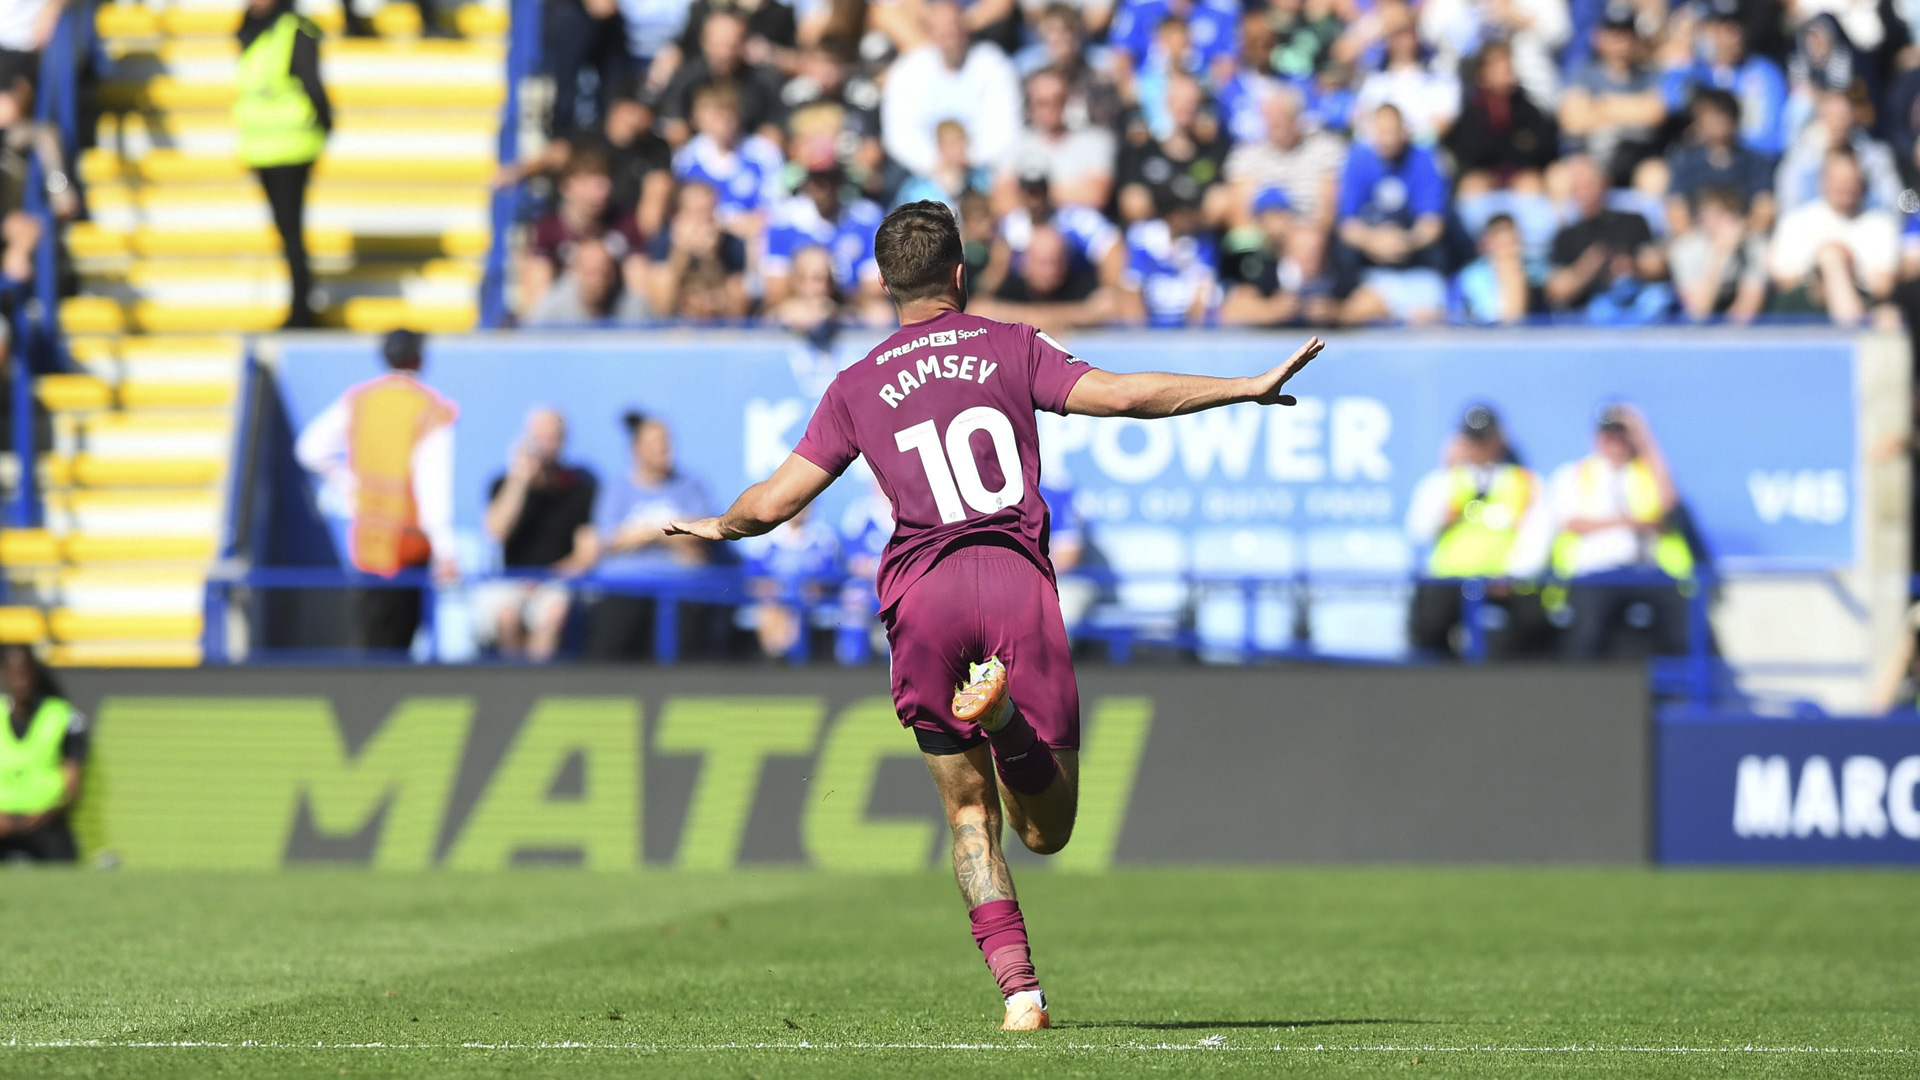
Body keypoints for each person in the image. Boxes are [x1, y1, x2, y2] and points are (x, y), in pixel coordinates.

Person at [664, 200, 1326, 1031]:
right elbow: (1121, 397)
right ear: (960, 274)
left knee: (968, 814)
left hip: (922, 597)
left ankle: (1021, 995)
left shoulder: (857, 384)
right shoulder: (1012, 345)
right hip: (1015, 581)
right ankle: (1008, 723)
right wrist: (1242, 387)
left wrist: (718, 524)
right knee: (1048, 832)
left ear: (882, 283)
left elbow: (775, 502)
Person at [294, 330, 458, 653]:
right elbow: (433, 487)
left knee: (370, 635)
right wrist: (446, 550)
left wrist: (349, 483)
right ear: (419, 358)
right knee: (399, 641)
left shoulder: (361, 400)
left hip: (368, 537)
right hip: (409, 542)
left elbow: (309, 449)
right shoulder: (428, 409)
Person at [1547, 403, 1694, 659]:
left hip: (1645, 570)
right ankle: (1575, 693)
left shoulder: (1646, 472)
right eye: (1608, 435)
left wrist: (1646, 439)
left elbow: (1667, 507)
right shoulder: (1575, 474)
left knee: (1684, 623)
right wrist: (1628, 521)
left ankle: (1688, 692)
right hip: (1595, 571)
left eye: (1622, 435)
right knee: (1586, 634)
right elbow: (1571, 521)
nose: (1615, 442)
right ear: (1595, 438)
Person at [1404, 405, 1551, 658]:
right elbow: (1419, 530)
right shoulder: (1443, 482)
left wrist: (1511, 576)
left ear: (1499, 440)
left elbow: (1538, 536)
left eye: (1484, 438)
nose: (1478, 445)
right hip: (1450, 579)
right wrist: (1447, 499)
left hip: (1505, 582)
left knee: (1535, 623)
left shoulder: (1526, 482)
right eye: (1471, 438)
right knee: (1429, 624)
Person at [588, 410, 718, 660]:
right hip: (624, 590)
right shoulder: (616, 489)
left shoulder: (690, 486)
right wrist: (668, 535)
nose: (664, 448)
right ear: (636, 450)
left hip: (681, 591)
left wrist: (644, 533)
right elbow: (609, 540)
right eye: (655, 443)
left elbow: (704, 532)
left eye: (667, 441)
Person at [475, 408, 600, 661]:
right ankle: (514, 686)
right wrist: (519, 480)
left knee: (554, 610)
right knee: (505, 613)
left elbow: (587, 553)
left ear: (563, 441)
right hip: (512, 580)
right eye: (537, 437)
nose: (543, 445)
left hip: (556, 580)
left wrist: (546, 577)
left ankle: (537, 682)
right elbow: (496, 531)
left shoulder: (581, 486)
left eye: (551, 437)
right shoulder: (504, 483)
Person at [235, 0, 330, 330]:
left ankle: (301, 308)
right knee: (285, 230)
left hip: (292, 146)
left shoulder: (296, 29)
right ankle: (299, 304)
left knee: (291, 231)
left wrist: (324, 125)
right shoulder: (249, 29)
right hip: (262, 148)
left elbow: (313, 85)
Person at [1334, 103, 1448, 325]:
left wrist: (1406, 241)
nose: (1388, 139)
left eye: (1393, 132)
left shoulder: (1423, 159)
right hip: (1369, 251)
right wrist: (1372, 241)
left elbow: (1433, 223)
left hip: (1412, 250)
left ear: (1404, 131)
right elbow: (1346, 224)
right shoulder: (1357, 159)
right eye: (1382, 132)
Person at [879, 0, 1022, 177]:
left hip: (983, 170)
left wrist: (970, 157)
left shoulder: (993, 64)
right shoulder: (909, 69)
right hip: (923, 173)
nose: (950, 40)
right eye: (944, 32)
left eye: (954, 31)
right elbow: (899, 131)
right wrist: (933, 162)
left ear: (966, 31)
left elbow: (1005, 126)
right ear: (932, 33)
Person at [1768, 146, 1899, 326]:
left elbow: (1883, 284)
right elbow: (1784, 278)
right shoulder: (1795, 221)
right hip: (1801, 311)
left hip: (1864, 308)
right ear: (1823, 181)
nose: (1845, 187)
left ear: (1862, 183)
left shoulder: (1880, 224)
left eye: (1851, 180)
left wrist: (1841, 266)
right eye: (1838, 180)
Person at [1558, 3, 1667, 185]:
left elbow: (1655, 114)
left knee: (1656, 176)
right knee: (1561, 178)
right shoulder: (1582, 73)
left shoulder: (1649, 75)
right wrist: (1634, 108)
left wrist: (1601, 106)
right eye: (1614, 34)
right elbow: (1572, 120)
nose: (1621, 41)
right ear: (1598, 37)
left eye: (1627, 34)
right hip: (1590, 158)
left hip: (1638, 157)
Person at [0, 644, 86, 863]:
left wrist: (45, 813)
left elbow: (72, 784)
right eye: (14, 671)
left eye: (25, 671)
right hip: (2, 821)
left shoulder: (61, 716)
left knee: (63, 867)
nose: (20, 680)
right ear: (3, 673)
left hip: (45, 821)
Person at [1222, 85, 1347, 228]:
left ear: (1297, 118)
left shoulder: (1325, 149)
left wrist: (1294, 232)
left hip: (1308, 233)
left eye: (1282, 117)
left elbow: (1327, 212)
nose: (1275, 123)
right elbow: (1239, 216)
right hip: (1261, 234)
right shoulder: (1246, 155)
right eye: (1270, 118)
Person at [998, 67, 1116, 212]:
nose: (1051, 109)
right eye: (1042, 103)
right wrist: (1071, 190)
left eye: (1058, 100)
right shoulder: (1016, 147)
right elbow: (1001, 202)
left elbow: (1095, 195)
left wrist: (1030, 192)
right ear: (1029, 106)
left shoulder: (1096, 141)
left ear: (1068, 100)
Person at [1669, 185, 1768, 323]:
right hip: (1696, 332)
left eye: (1727, 215)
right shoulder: (1685, 249)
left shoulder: (1755, 247)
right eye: (1713, 215)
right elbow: (1698, 312)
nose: (1721, 223)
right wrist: (1719, 255)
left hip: (1739, 333)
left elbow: (1746, 310)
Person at [1452, 213, 1541, 325]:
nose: (1508, 251)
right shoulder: (1472, 276)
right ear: (1488, 243)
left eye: (1512, 243)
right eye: (1502, 244)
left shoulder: (1535, 271)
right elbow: (1498, 318)